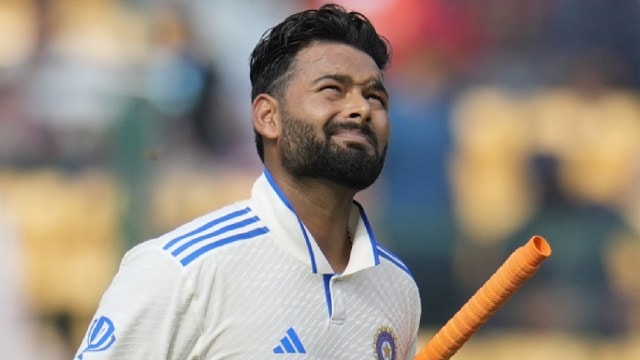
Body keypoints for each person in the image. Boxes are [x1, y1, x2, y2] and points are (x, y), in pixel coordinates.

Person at [74, 4, 421, 359]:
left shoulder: (397, 289)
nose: (362, 109)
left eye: (375, 97)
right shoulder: (181, 272)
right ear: (268, 117)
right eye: (333, 89)